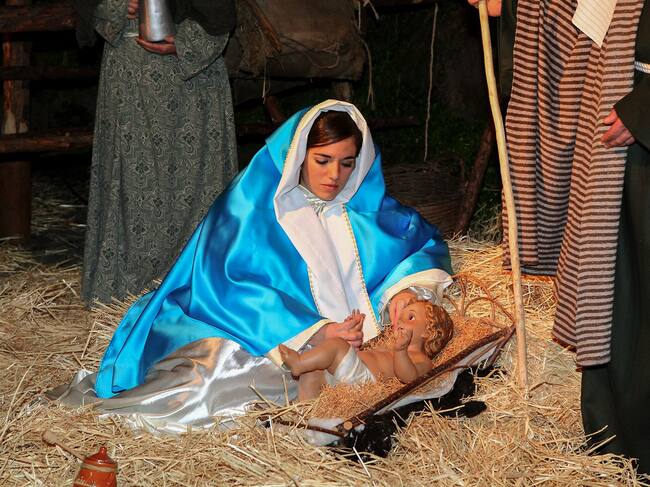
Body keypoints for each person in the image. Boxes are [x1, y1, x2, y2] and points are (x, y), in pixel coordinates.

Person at [50, 100, 453, 433]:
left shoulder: (365, 209)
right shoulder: (249, 207)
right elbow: (224, 283)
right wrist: (316, 330)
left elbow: (421, 244)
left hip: (352, 353)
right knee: (218, 380)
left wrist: (405, 291)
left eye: (347, 163)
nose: (335, 176)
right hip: (249, 326)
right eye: (323, 160)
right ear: (299, 155)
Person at [468, 0, 650, 474]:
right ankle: (614, 441)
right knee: (609, 283)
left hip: (635, 115)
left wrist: (644, 106)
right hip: (609, 101)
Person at [74, 0, 239, 304]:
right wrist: (117, 5)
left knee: (198, 182)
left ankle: (194, 289)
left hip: (193, 79)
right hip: (130, 72)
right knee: (131, 185)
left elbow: (218, 13)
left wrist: (190, 42)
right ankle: (128, 295)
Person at [279, 301, 454, 400]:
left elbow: (409, 378)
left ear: (428, 332)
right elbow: (369, 355)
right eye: (400, 318)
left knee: (337, 345)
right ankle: (305, 414)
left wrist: (401, 351)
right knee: (311, 374)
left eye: (410, 317)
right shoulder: (390, 346)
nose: (400, 321)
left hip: (365, 383)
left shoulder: (421, 359)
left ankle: (299, 363)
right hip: (350, 375)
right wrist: (355, 337)